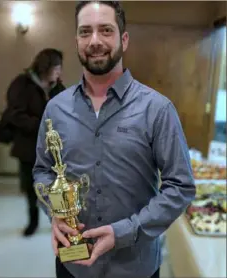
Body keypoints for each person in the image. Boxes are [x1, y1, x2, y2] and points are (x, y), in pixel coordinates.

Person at [33, 2, 196, 278]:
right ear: (76, 41)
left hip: (135, 266)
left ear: (124, 39)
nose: (94, 40)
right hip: (73, 265)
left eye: (105, 30)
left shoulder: (157, 109)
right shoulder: (55, 110)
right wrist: (56, 213)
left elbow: (180, 187)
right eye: (85, 32)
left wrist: (124, 231)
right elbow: (43, 170)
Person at [6, 48, 65, 236]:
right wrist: (41, 125)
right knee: (31, 187)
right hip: (28, 145)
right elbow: (15, 114)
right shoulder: (22, 84)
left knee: (57, 186)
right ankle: (32, 221)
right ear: (45, 66)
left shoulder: (57, 87)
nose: (59, 72)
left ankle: (60, 221)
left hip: (52, 148)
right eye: (56, 67)